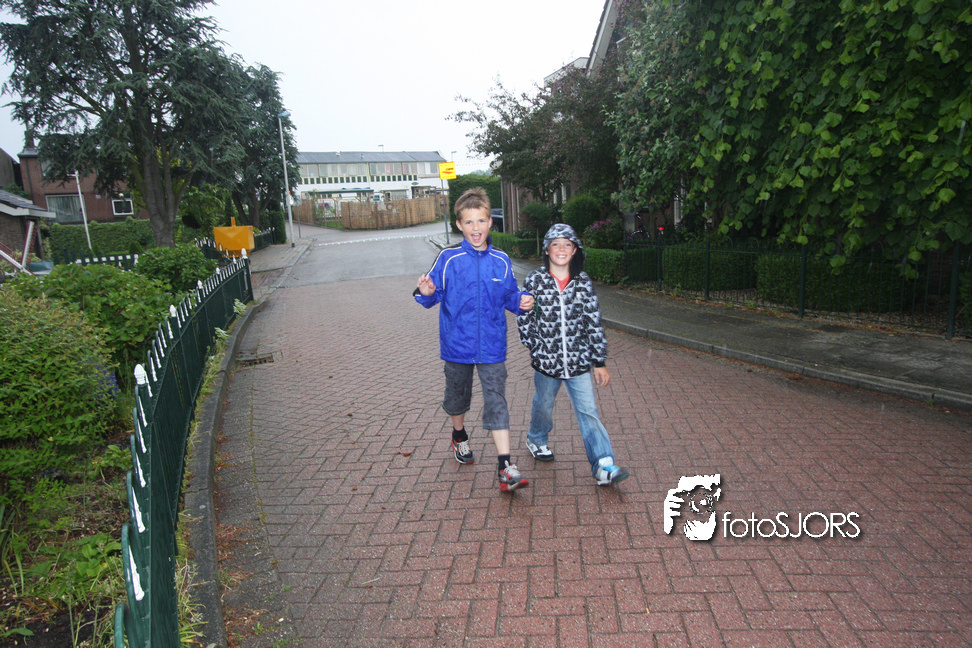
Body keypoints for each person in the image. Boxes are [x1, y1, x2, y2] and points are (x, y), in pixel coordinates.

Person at [414, 187, 535, 493]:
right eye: (469, 222)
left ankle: (505, 466)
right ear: (459, 225)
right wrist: (426, 293)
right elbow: (431, 294)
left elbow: (510, 295)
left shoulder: (501, 260)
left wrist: (521, 301)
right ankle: (459, 436)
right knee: (458, 397)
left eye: (481, 221)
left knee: (497, 400)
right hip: (457, 345)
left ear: (490, 222)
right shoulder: (449, 258)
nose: (476, 228)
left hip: (492, 346)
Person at [517, 223, 629, 486]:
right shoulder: (535, 280)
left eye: (567, 244)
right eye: (555, 244)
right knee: (543, 405)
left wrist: (598, 361)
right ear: (547, 250)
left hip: (578, 361)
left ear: (575, 250)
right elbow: (524, 316)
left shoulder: (583, 282)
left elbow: (593, 321)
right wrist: (535, 346)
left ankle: (603, 464)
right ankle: (536, 439)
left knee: (588, 411)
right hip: (546, 362)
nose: (561, 249)